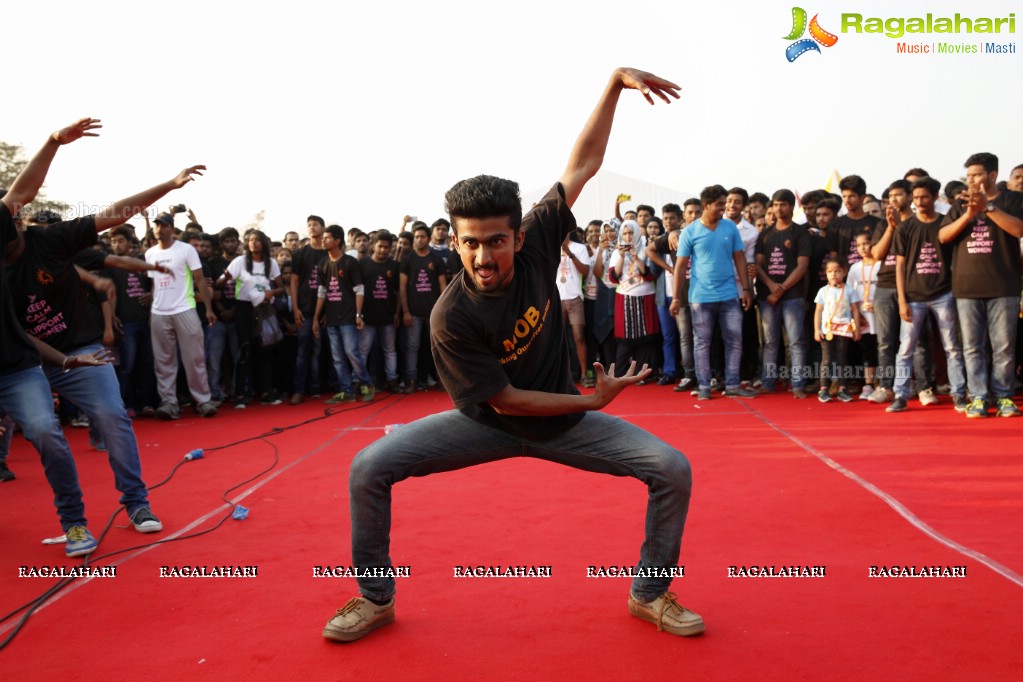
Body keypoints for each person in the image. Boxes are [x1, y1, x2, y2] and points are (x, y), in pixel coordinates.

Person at [322, 67, 703, 643]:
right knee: (368, 468)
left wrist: (613, 86)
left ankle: (649, 593)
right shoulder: (450, 316)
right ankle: (375, 597)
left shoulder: (540, 239)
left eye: (495, 241)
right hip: (489, 422)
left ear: (519, 238)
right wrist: (592, 400)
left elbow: (582, 164)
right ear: (456, 240)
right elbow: (504, 401)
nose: (482, 255)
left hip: (568, 420)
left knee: (672, 468)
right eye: (470, 242)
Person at [938, 152, 1023, 418]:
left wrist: (989, 208)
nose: (971, 180)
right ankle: (978, 397)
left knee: (1004, 346)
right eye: (969, 175)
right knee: (972, 347)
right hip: (967, 288)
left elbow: (1018, 230)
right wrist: (969, 214)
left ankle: (1004, 397)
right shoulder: (960, 203)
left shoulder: (1013, 199)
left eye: (976, 175)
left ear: (993, 175)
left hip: (1004, 286)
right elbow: (943, 236)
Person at [886, 177, 967, 414]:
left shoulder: (945, 224)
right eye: (916, 197)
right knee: (906, 348)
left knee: (952, 347)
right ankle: (900, 395)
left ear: (934, 197)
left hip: (944, 293)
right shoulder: (905, 227)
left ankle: (959, 394)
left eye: (924, 197)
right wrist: (901, 300)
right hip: (913, 296)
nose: (919, 202)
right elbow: (899, 267)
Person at [145, 199, 218, 420]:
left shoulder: (186, 249)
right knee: (163, 361)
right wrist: (152, 311)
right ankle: (169, 403)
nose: (159, 229)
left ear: (171, 228)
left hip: (185, 308)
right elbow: (153, 284)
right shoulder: (149, 254)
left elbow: (200, 280)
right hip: (159, 313)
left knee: (194, 358)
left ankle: (203, 401)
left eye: (163, 225)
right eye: (157, 225)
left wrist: (208, 309)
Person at [219, 230, 285, 407]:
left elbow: (281, 288)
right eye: (250, 240)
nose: (253, 243)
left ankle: (265, 392)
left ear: (263, 243)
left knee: (264, 349)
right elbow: (220, 283)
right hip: (243, 308)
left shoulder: (271, 263)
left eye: (257, 240)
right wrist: (225, 278)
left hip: (264, 308)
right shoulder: (239, 261)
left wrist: (271, 292)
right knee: (245, 349)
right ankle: (241, 394)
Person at [313, 225, 373, 404]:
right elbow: (322, 292)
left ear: (337, 241)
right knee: (337, 357)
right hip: (331, 319)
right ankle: (347, 391)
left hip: (348, 317)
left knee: (352, 352)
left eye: (327, 238)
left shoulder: (349, 262)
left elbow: (359, 290)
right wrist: (316, 317)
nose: (323, 241)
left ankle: (366, 384)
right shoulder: (323, 263)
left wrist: (358, 315)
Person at [813, 259, 862, 403]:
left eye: (837, 271)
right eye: (830, 271)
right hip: (827, 330)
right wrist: (816, 329)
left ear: (844, 272)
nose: (833, 274)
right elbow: (818, 311)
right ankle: (823, 389)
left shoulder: (849, 290)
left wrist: (857, 329)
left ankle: (842, 389)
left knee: (841, 359)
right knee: (826, 360)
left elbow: (855, 310)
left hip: (844, 330)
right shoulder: (823, 291)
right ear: (826, 274)